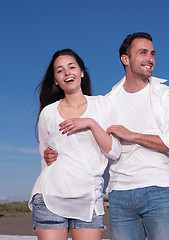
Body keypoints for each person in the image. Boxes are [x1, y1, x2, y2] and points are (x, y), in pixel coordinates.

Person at [44, 33, 169, 240]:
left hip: (159, 189)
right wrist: (54, 154)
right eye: (142, 53)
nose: (150, 59)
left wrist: (132, 135)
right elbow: (88, 143)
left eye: (152, 53)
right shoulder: (107, 101)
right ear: (125, 59)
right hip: (119, 194)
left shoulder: (166, 95)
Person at [28, 49, 121, 240]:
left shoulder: (103, 105)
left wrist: (90, 123)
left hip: (89, 199)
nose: (67, 72)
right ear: (55, 80)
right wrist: (48, 155)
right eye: (60, 70)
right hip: (50, 197)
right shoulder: (48, 113)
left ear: (82, 72)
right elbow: (45, 159)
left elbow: (115, 151)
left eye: (72, 67)